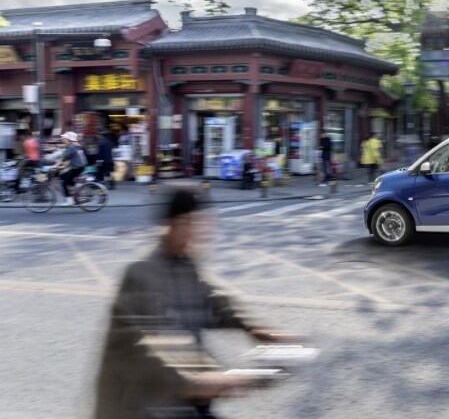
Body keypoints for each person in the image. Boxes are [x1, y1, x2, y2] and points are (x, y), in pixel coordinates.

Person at [94, 186, 293, 419]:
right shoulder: (141, 275)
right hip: (140, 407)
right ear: (170, 224)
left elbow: (212, 301)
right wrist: (199, 380)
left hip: (183, 404)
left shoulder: (185, 264)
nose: (199, 232)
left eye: (201, 223)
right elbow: (153, 346)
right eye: (189, 223)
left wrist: (252, 327)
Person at [56, 132, 87, 206]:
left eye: (63, 138)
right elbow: (69, 159)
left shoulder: (71, 147)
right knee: (63, 176)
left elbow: (64, 158)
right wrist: (62, 166)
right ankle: (75, 193)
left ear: (68, 139)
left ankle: (70, 200)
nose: (62, 139)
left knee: (64, 183)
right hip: (78, 167)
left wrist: (55, 166)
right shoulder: (73, 146)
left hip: (77, 168)